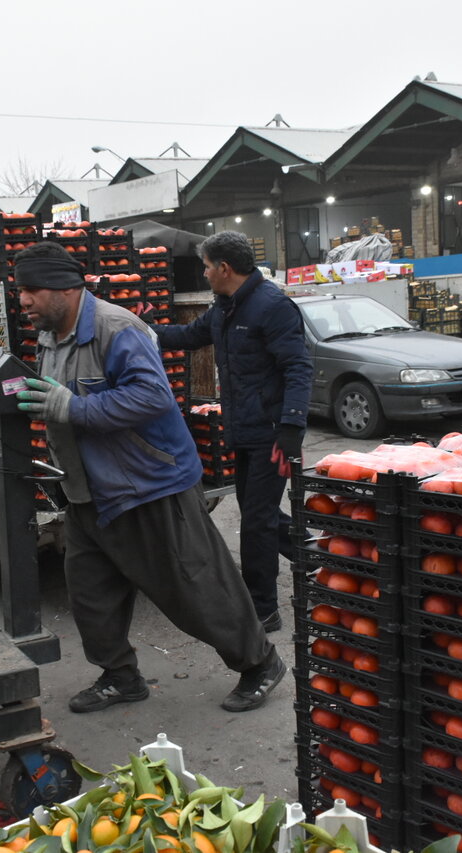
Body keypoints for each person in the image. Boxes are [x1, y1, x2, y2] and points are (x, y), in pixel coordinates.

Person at [12, 241, 286, 714]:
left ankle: (260, 662)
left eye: (32, 290)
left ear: (64, 287)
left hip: (148, 484)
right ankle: (120, 675)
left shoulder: (117, 329)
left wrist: (74, 407)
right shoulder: (49, 337)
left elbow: (152, 398)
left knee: (195, 587)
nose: (24, 301)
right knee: (90, 592)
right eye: (22, 291)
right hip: (87, 491)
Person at [151, 231, 312, 633]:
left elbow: (299, 367)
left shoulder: (272, 306)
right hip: (242, 428)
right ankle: (320, 557)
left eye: (206, 266)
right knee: (259, 511)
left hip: (273, 434)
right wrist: (146, 328)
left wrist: (292, 426)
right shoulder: (225, 308)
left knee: (256, 520)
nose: (203, 273)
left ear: (224, 268)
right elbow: (189, 338)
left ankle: (263, 608)